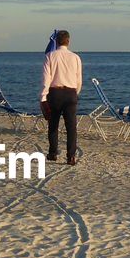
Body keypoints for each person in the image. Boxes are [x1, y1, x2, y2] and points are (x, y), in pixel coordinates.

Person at [40, 29, 82, 164]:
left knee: (53, 125)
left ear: (57, 41)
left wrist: (43, 97)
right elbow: (78, 80)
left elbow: (46, 79)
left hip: (55, 93)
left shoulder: (50, 56)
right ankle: (71, 156)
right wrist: (75, 93)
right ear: (68, 41)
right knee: (71, 127)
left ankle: (53, 153)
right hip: (70, 93)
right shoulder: (75, 57)